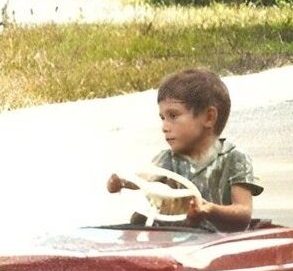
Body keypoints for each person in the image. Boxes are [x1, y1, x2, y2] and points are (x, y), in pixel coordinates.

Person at [107, 68, 262, 232]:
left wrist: (209, 210)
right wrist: (122, 182)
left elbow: (243, 213)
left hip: (215, 240)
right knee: (136, 221)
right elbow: (143, 179)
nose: (164, 127)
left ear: (209, 117)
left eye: (173, 116)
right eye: (163, 118)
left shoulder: (234, 158)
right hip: (170, 238)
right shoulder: (168, 159)